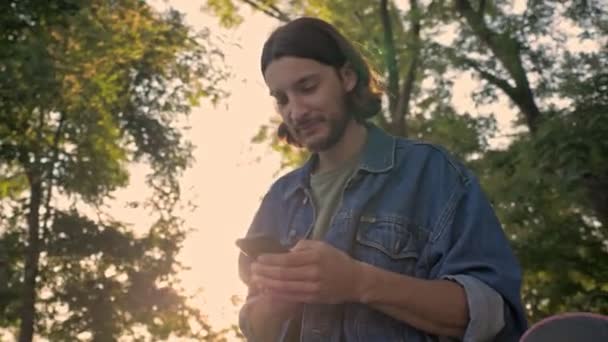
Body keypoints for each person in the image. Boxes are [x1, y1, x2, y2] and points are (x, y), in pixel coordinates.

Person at [237, 16, 527, 342]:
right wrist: (276, 305)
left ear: (347, 77)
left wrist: (358, 282)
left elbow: (493, 315)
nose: (296, 111)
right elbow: (256, 330)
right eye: (282, 99)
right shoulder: (279, 197)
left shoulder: (431, 173)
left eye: (307, 88)